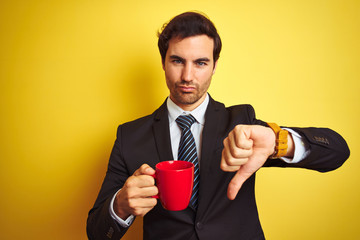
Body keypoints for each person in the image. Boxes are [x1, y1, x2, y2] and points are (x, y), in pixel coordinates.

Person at [86, 11, 350, 240]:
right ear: (163, 62)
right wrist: (119, 206)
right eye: (177, 61)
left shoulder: (241, 122)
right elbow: (97, 233)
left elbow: (338, 152)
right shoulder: (129, 136)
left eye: (201, 63)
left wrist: (277, 141)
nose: (188, 76)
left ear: (214, 67)